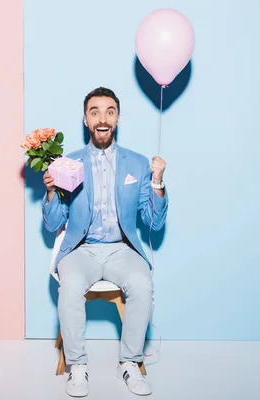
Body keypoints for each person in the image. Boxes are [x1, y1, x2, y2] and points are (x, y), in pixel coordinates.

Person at [42, 87, 168, 397]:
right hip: (81, 249)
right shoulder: (67, 163)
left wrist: (158, 183)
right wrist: (50, 191)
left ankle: (129, 362)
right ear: (86, 119)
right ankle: (77, 366)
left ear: (117, 118)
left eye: (109, 111)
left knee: (142, 284)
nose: (102, 118)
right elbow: (53, 224)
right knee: (69, 286)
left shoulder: (137, 164)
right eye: (95, 112)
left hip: (122, 249)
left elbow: (154, 222)